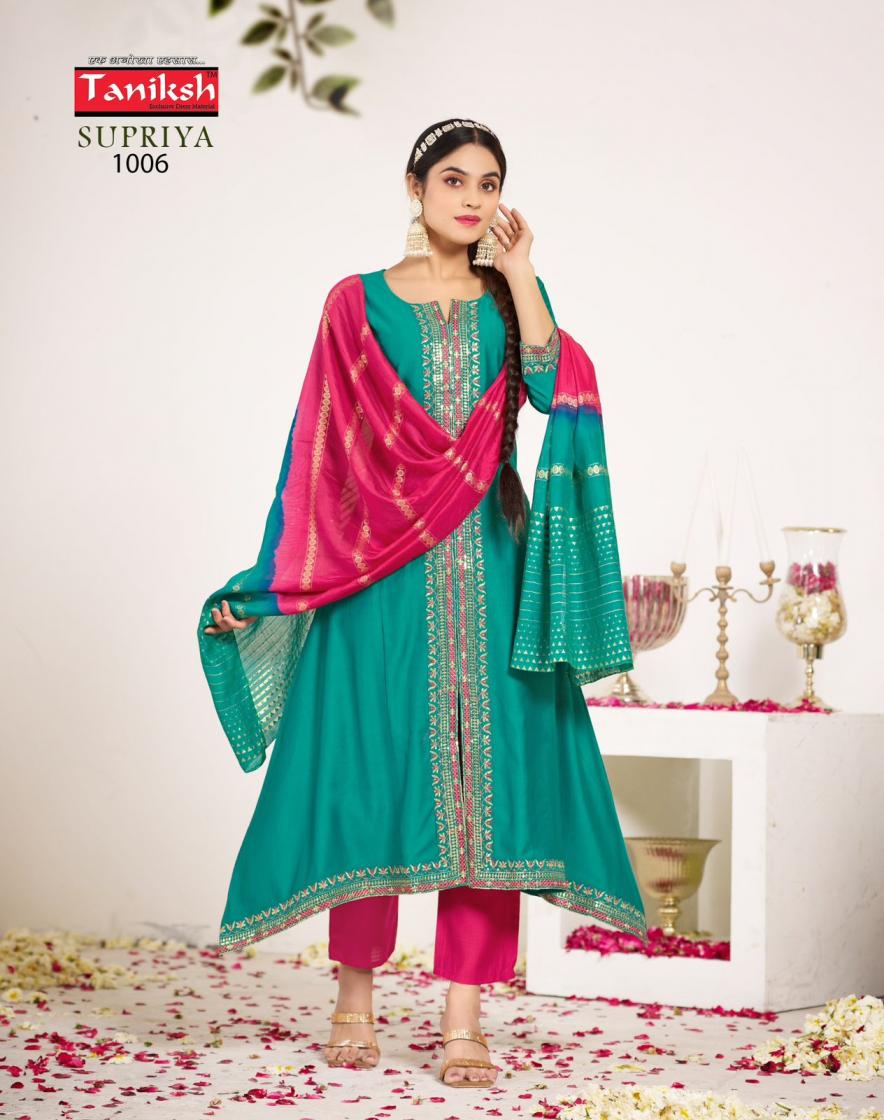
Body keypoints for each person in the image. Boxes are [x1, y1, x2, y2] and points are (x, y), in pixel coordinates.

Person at [198, 117, 647, 1089]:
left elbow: (551, 387)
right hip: (376, 576)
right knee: (368, 777)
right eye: (454, 179)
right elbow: (317, 451)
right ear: (415, 187)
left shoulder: (510, 300)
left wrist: (521, 273)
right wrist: (275, 582)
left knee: (490, 789)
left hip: (493, 565)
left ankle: (462, 1020)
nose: (472, 198)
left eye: (488, 183)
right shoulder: (353, 303)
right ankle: (353, 1003)